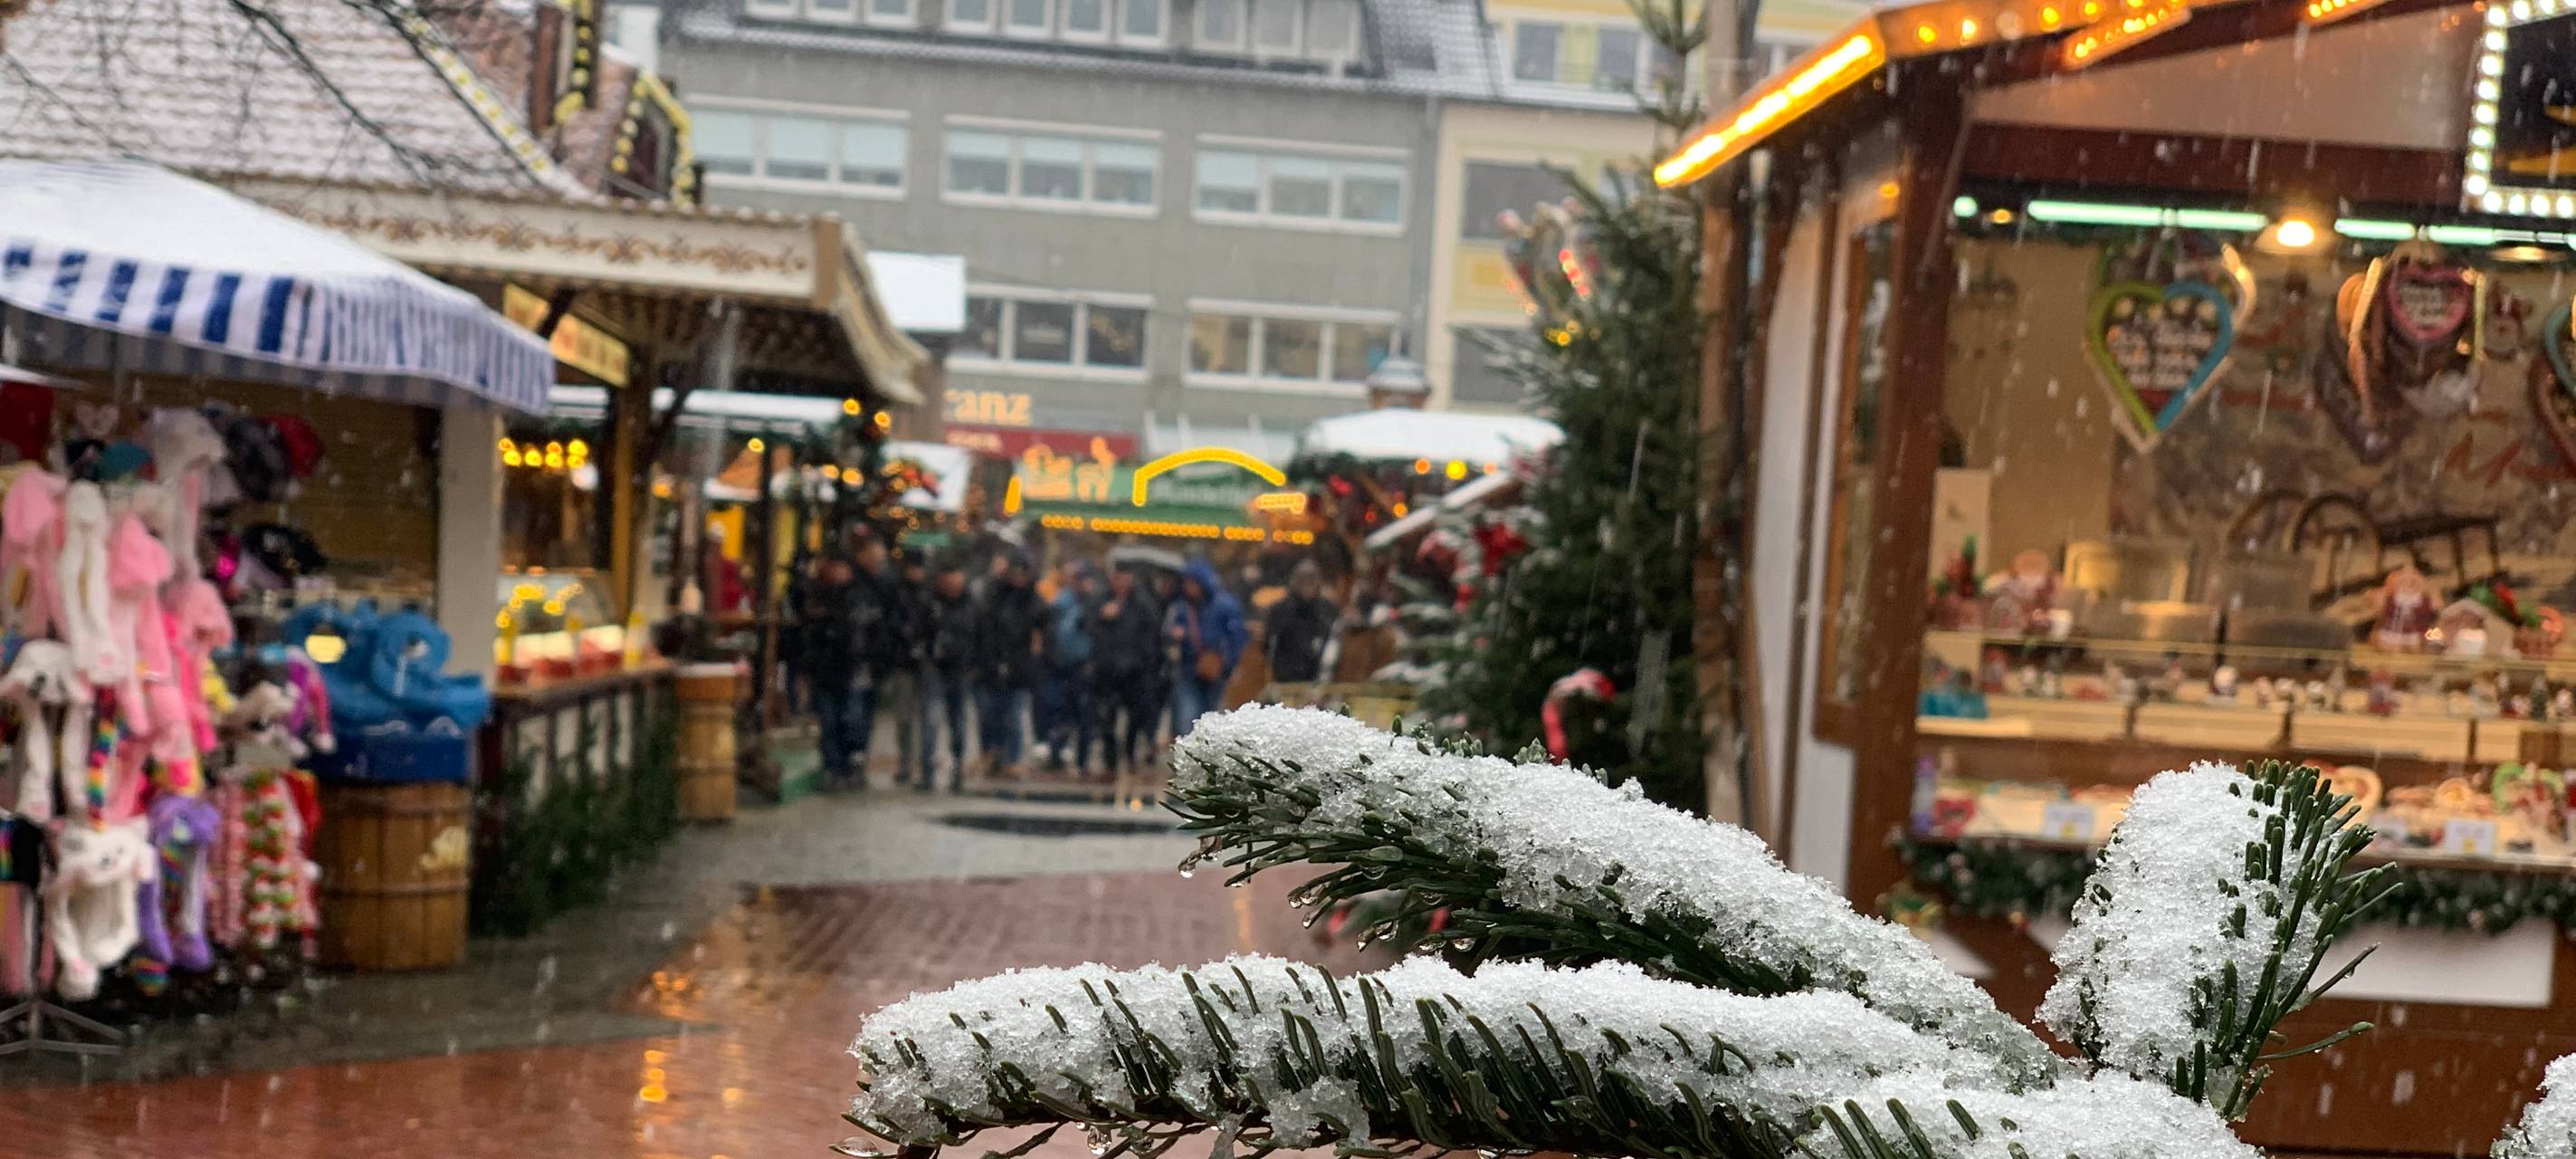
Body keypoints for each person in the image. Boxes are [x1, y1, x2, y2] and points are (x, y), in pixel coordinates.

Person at [790, 551, 865, 789]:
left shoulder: (856, 597)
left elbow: (857, 631)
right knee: (828, 722)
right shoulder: (815, 593)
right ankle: (832, 767)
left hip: (849, 669)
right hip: (822, 669)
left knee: (850, 721)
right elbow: (805, 630)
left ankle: (849, 766)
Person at [970, 553, 1045, 775]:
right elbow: (982, 629)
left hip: (1019, 667)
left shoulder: (1033, 601)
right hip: (991, 664)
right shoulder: (994, 596)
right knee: (989, 716)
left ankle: (1011, 759)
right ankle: (991, 753)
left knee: (1013, 716)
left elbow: (1043, 630)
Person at [1089, 565, 1165, 774]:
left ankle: (1130, 754)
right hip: (1108, 669)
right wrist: (1103, 617)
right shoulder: (1102, 599)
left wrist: (1146, 662)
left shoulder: (1142, 602)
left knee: (1135, 717)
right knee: (1107, 717)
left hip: (1135, 671)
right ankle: (1110, 759)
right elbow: (1089, 626)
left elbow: (1152, 633)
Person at [1166, 557, 1247, 738]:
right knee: (1188, 718)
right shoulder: (1182, 607)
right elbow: (1169, 632)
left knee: (1209, 718)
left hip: (1215, 670)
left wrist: (1230, 663)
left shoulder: (1224, 605)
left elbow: (1237, 637)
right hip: (1189, 669)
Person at [915, 560, 976, 790]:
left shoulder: (971, 605)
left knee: (958, 723)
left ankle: (957, 768)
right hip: (934, 667)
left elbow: (980, 635)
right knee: (930, 721)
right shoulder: (929, 604)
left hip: (961, 670)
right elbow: (917, 631)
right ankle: (927, 772)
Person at [1043, 563, 1102, 775]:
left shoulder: (1092, 603)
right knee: (1061, 715)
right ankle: (1056, 754)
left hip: (1083, 666)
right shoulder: (1062, 603)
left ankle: (1081, 761)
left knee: (1084, 717)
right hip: (1062, 667)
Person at [1264, 560, 1339, 686]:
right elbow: (1269, 645)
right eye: (1303, 580)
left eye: (1312, 580)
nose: (1308, 585)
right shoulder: (1280, 610)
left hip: (1320, 681)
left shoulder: (1328, 610)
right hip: (1286, 680)